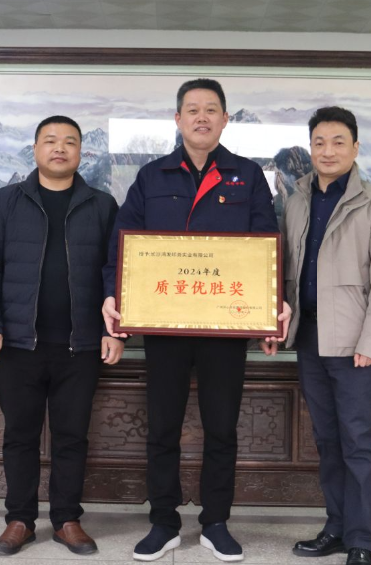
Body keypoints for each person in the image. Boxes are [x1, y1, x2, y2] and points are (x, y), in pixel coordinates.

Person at [102, 78, 290, 562]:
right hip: (164, 325)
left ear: (225, 119)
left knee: (221, 428)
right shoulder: (152, 176)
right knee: (162, 427)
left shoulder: (247, 176)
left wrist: (273, 309)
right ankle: (163, 521)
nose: (201, 117)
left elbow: (266, 247)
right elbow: (123, 246)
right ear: (178, 119)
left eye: (211, 109)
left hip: (224, 329)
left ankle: (216, 522)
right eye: (192, 109)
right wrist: (112, 297)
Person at [0, 115, 123, 557]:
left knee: (72, 436)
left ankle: (67, 520)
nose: (60, 148)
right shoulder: (7, 201)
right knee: (20, 434)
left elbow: (117, 272)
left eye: (70, 142)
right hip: (18, 344)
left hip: (81, 345)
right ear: (36, 149)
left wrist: (115, 330)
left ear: (81, 153)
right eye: (51, 141)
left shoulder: (101, 204)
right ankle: (19, 520)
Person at [279, 106, 371, 565]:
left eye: (338, 142)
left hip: (355, 346)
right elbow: (286, 270)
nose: (328, 151)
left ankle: (361, 541)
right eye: (319, 142)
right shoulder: (297, 200)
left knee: (357, 443)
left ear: (355, 148)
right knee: (327, 441)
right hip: (311, 339)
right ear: (310, 148)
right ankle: (335, 528)